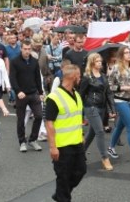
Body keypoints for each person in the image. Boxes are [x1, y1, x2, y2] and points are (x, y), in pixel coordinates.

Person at [45, 64, 87, 202]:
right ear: (73, 77)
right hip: (62, 145)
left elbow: (76, 118)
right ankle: (63, 197)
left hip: (77, 142)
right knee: (63, 176)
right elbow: (49, 123)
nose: (80, 78)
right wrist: (53, 147)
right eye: (79, 76)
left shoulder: (76, 94)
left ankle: (60, 195)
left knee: (81, 171)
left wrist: (81, 135)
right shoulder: (54, 97)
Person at [79, 53, 116, 171]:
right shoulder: (87, 77)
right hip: (91, 107)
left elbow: (109, 93)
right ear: (92, 63)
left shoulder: (104, 76)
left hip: (102, 107)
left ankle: (80, 153)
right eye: (97, 61)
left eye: (100, 61)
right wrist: (81, 114)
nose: (100, 63)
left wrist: (112, 109)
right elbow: (81, 94)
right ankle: (105, 158)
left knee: (92, 133)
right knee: (100, 131)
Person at [9, 39, 44, 152]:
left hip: (34, 93)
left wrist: (41, 92)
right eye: (25, 49)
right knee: (21, 119)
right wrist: (18, 91)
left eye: (29, 49)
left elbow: (38, 78)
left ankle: (33, 139)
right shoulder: (14, 62)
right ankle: (22, 141)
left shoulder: (34, 61)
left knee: (39, 116)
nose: (27, 51)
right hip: (21, 95)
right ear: (21, 49)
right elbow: (12, 78)